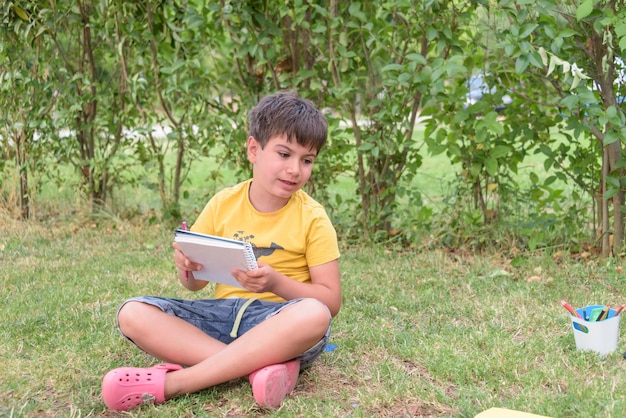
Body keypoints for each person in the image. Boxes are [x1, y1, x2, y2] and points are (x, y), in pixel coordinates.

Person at [101, 91, 341, 412]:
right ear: (254, 149)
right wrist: (187, 268)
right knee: (132, 313)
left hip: (278, 323)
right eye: (284, 154)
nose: (295, 169)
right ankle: (258, 370)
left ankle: (178, 383)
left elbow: (330, 301)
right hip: (221, 317)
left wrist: (275, 284)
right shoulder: (223, 203)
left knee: (314, 315)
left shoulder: (313, 217)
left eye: (306, 160)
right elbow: (195, 284)